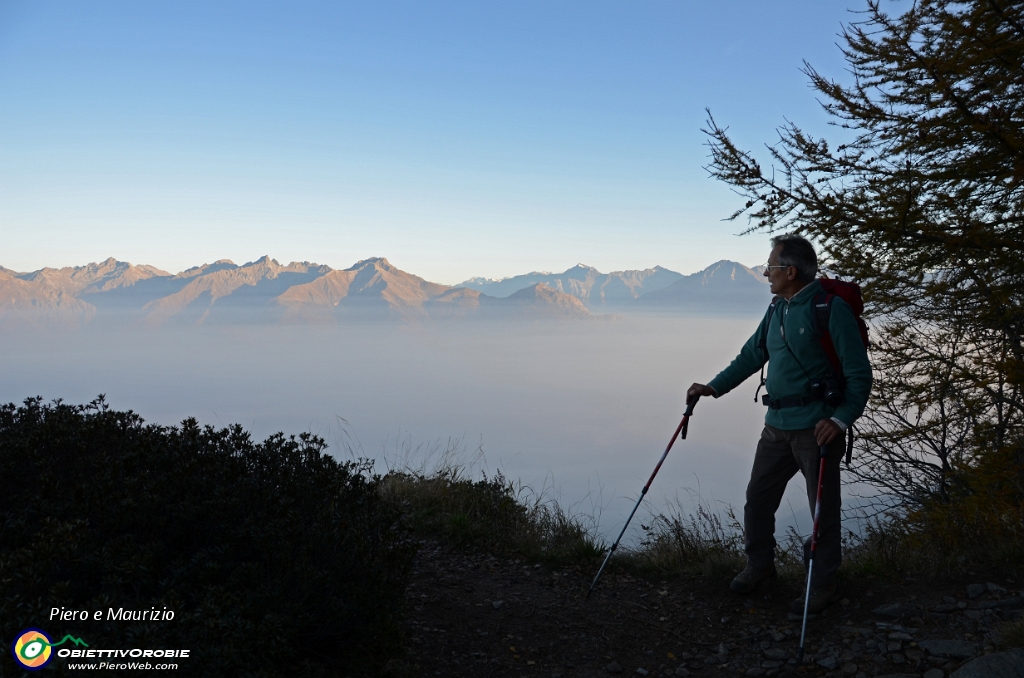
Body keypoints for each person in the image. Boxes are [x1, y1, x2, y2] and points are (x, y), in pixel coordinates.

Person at [687, 234, 871, 614]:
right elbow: (751, 355)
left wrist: (839, 420)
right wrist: (713, 387)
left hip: (817, 430)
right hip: (776, 426)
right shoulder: (777, 309)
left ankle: (822, 584)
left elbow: (859, 375)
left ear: (790, 271)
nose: (766, 273)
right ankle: (760, 566)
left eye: (770, 267)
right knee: (758, 500)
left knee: (822, 510)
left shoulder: (829, 309)